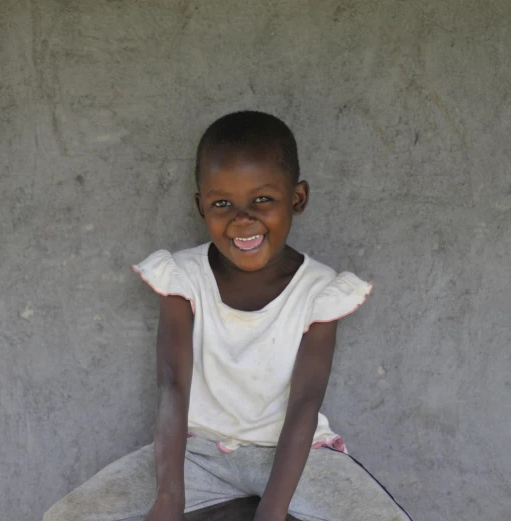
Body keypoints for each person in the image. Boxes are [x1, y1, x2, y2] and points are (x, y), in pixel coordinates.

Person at [44, 111, 411, 521]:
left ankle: (245, 504)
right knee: (67, 516)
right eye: (222, 203)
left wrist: (272, 510)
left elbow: (306, 402)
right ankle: (228, 502)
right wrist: (169, 498)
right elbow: (172, 384)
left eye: (263, 200)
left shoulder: (319, 290)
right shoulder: (182, 278)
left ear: (298, 199)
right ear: (200, 206)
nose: (242, 219)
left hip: (294, 457)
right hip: (196, 454)